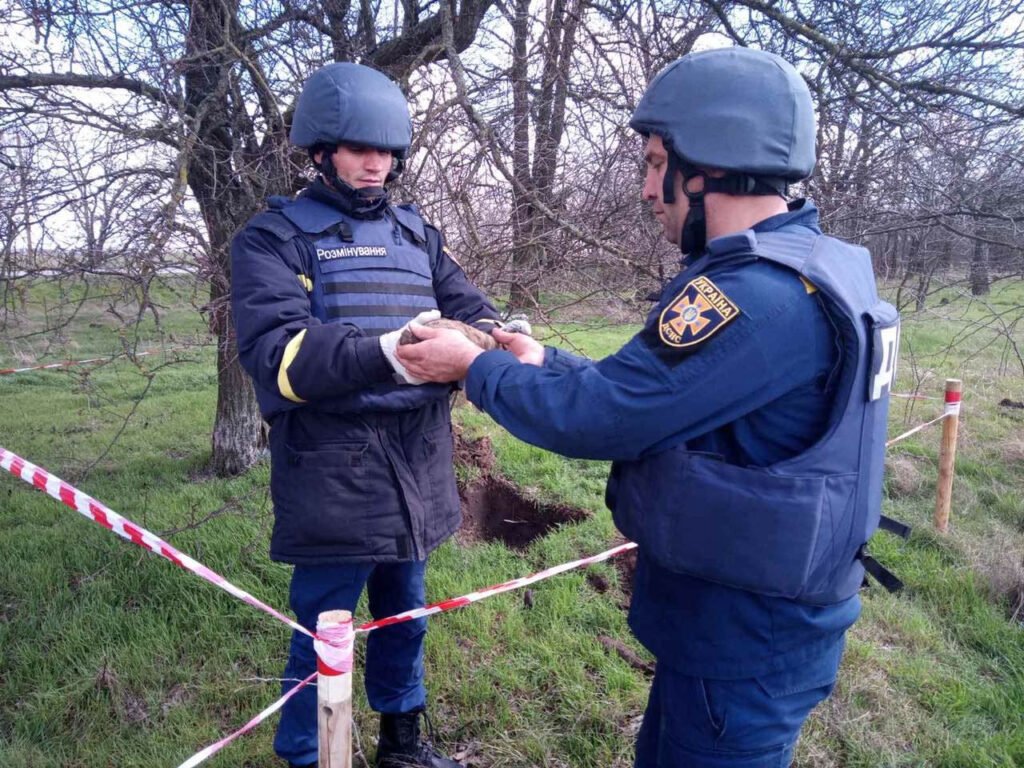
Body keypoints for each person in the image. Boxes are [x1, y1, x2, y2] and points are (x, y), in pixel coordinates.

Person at [396, 47, 901, 767]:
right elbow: (661, 394)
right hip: (749, 623)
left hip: (742, 636)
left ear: (710, 167)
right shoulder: (815, 269)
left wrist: (473, 366)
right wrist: (542, 360)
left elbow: (600, 417)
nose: (646, 189)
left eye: (657, 162)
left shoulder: (755, 299)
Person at [231, 62, 503, 768]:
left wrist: (494, 336)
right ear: (321, 152)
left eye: (385, 151)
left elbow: (468, 304)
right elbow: (279, 356)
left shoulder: (418, 235)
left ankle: (403, 746)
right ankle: (305, 756)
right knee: (324, 628)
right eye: (358, 149)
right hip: (334, 467)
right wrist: (389, 350)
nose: (374, 163)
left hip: (418, 459)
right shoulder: (275, 238)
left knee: (405, 616)